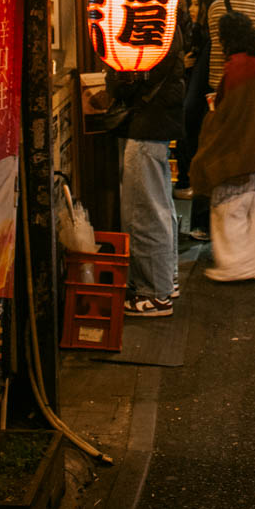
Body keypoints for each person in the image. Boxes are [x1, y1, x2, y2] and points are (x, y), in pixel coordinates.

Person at [191, 12, 255, 283]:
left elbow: (230, 114)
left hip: (242, 152)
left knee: (230, 208)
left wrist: (213, 114)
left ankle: (235, 265)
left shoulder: (235, 67)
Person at [104, 25, 185, 317]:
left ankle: (154, 293)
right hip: (154, 121)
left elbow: (135, 74)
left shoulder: (153, 19)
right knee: (157, 204)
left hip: (147, 122)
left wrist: (116, 80)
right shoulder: (166, 12)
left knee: (144, 209)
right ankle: (165, 279)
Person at [174, 0, 219, 242]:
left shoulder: (207, 41)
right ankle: (202, 223)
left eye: (195, 5)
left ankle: (203, 223)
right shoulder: (194, 33)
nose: (190, 8)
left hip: (202, 107)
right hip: (194, 106)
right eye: (190, 4)